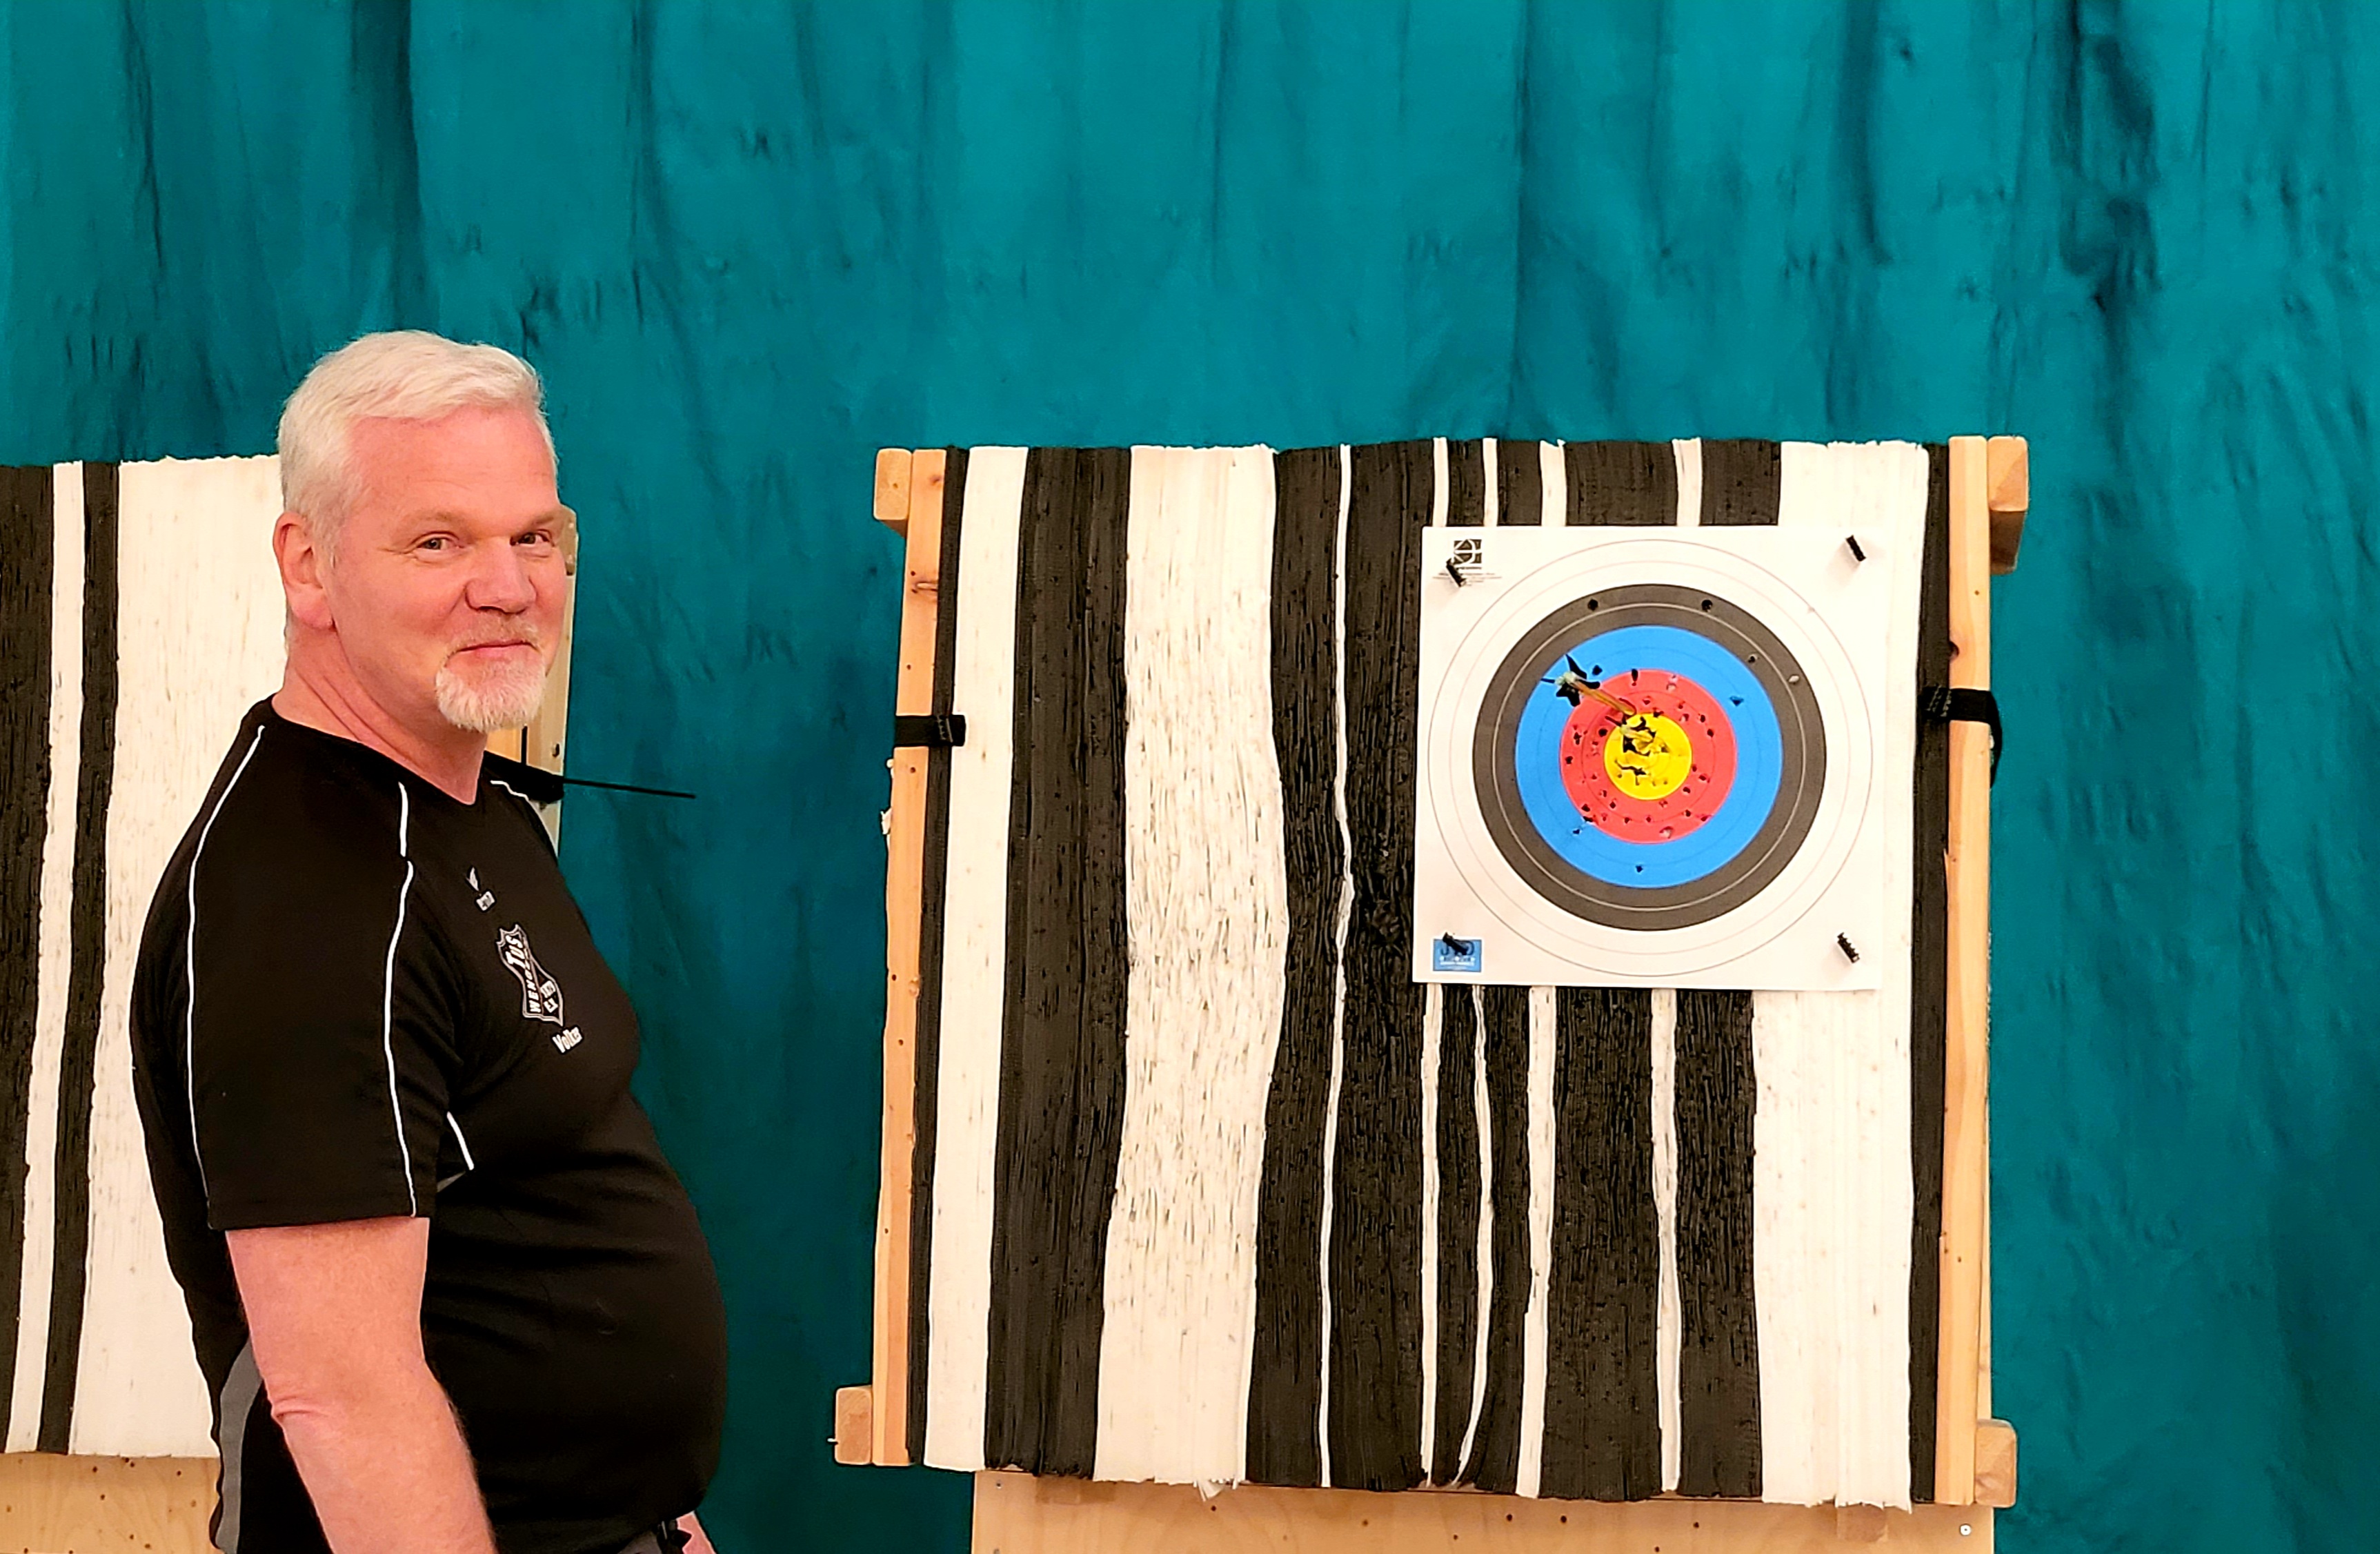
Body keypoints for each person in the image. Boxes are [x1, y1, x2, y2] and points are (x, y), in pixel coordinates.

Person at [128, 331, 728, 1554]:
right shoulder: (310, 900)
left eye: (533, 537)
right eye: (438, 542)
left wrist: (660, 1516)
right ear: (308, 566)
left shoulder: (468, 802)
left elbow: (551, 1191)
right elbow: (341, 1398)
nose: (506, 586)